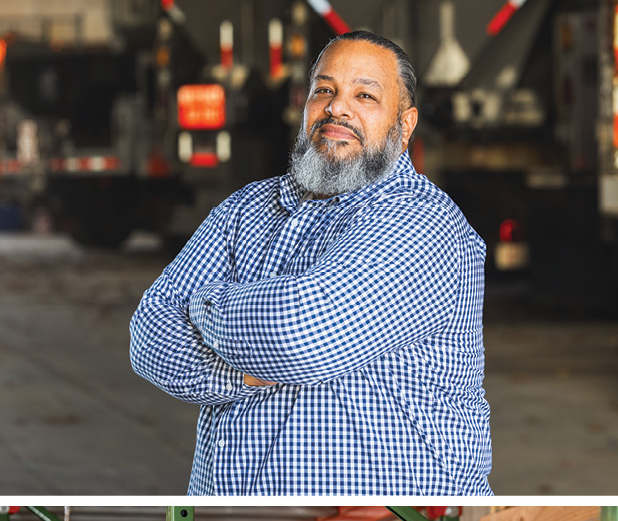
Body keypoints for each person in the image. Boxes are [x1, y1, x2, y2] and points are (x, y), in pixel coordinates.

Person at [130, 31, 492, 495]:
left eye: (365, 95)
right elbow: (148, 336)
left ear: (404, 126)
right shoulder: (246, 207)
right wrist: (241, 372)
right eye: (325, 90)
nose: (337, 107)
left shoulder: (423, 220)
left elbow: (297, 332)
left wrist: (201, 308)